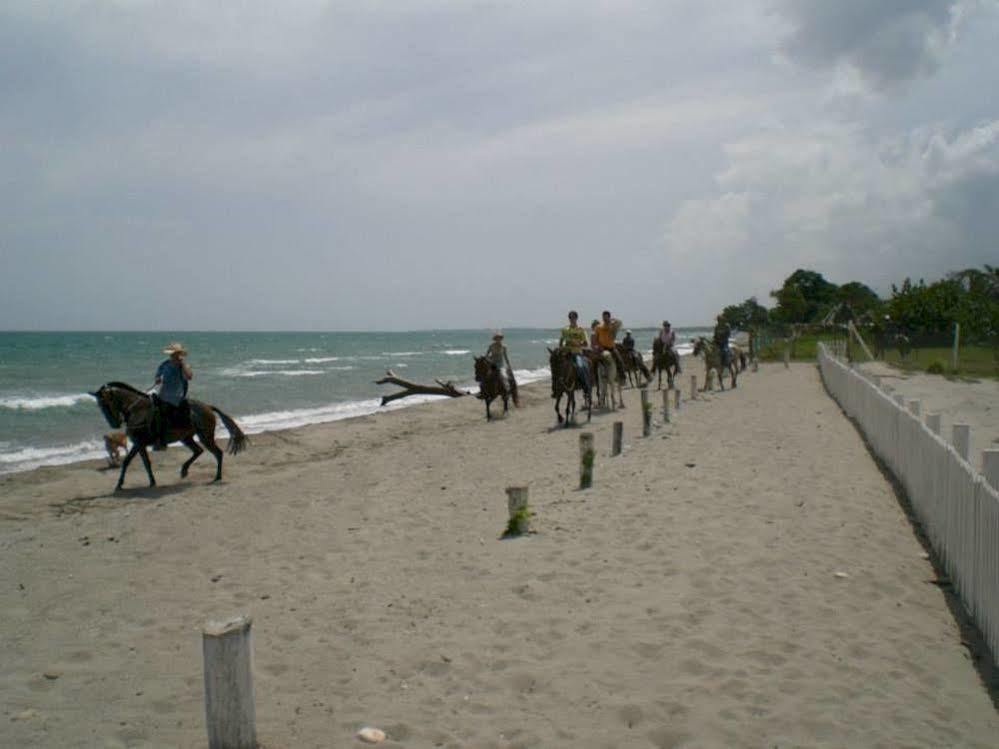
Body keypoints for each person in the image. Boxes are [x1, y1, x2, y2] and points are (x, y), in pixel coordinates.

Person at [152, 342, 193, 449]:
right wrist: (157, 379)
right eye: (172, 354)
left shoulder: (184, 366)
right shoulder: (164, 364)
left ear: (180, 354)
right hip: (163, 393)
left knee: (164, 414)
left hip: (176, 395)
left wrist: (183, 364)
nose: (173, 356)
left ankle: (162, 441)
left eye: (176, 354)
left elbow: (189, 377)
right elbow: (158, 375)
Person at [558, 310, 591, 390]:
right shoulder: (565, 330)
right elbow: (561, 342)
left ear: (576, 318)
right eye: (570, 318)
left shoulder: (580, 330)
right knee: (557, 365)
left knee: (581, 367)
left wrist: (577, 344)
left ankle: (585, 387)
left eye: (573, 318)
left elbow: (586, 344)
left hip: (577, 353)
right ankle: (557, 387)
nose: (572, 319)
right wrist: (562, 348)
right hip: (567, 353)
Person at [485, 332, 519, 407]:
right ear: (495, 339)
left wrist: (509, 365)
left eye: (499, 338)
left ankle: (507, 389)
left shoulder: (504, 347)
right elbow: (486, 355)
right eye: (497, 338)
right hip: (492, 365)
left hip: (500, 365)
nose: (498, 340)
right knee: (486, 376)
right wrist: (489, 359)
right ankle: (483, 391)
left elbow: (505, 357)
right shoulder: (491, 346)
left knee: (504, 376)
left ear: (501, 339)